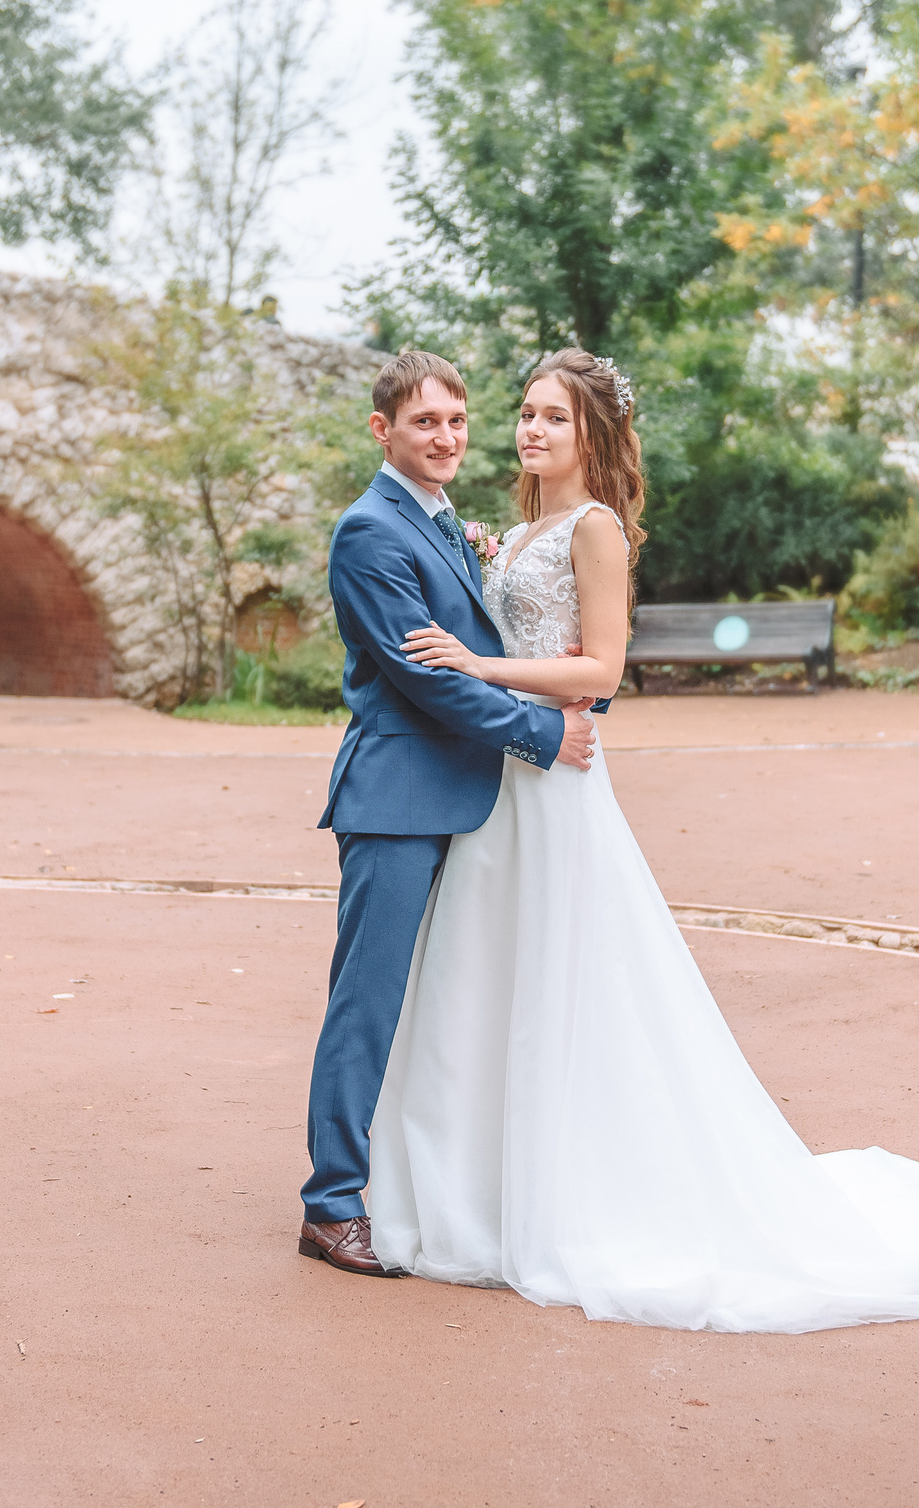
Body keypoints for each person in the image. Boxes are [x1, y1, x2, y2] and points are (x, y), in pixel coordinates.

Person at [364, 348, 919, 1332]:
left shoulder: (595, 528)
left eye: (555, 419)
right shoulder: (525, 525)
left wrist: (478, 664)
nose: (531, 430)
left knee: (559, 985)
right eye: (526, 413)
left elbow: (601, 670)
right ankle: (474, 1188)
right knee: (483, 978)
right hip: (504, 784)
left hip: (554, 785)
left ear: (593, 436)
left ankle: (564, 1193)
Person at [299, 350, 598, 1275]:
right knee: (370, 1001)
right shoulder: (370, 531)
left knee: (448, 1002)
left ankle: (431, 1177)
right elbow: (427, 679)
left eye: (458, 422)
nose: (446, 438)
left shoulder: (438, 521)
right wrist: (541, 736)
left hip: (466, 798)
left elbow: (493, 643)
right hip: (397, 794)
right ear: (383, 430)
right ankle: (332, 1202)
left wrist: (572, 687)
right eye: (425, 422)